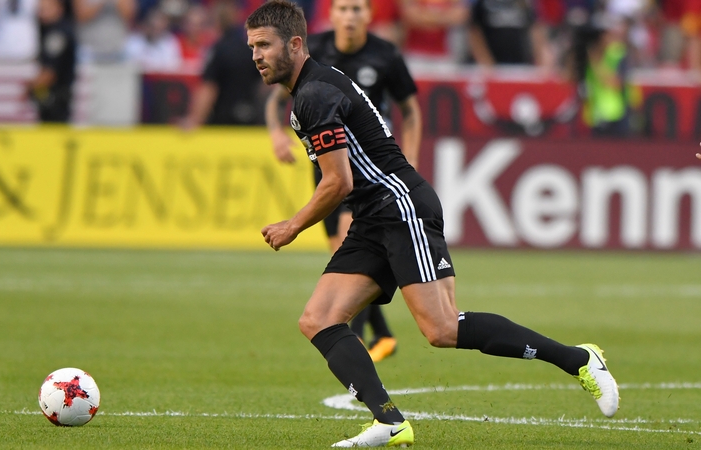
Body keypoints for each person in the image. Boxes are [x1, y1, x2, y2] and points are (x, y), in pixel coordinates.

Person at [246, 1, 620, 446]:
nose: (256, 55)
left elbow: (337, 182)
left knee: (441, 329)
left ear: (294, 43)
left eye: (264, 45)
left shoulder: (315, 94)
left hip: (400, 208)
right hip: (374, 215)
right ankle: (388, 420)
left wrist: (293, 225)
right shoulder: (312, 88)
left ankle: (578, 359)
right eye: (252, 46)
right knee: (318, 319)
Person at [264, 0, 421, 363]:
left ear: (369, 15)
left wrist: (409, 156)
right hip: (327, 163)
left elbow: (410, 109)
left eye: (357, 9)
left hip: (369, 169)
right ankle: (379, 333)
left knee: (349, 252)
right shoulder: (310, 50)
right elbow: (275, 99)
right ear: (331, 15)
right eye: (343, 8)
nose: (350, 16)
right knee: (342, 253)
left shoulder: (386, 56)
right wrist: (276, 134)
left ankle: (362, 339)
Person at [181, 0, 265, 129]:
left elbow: (209, 88)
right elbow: (265, 86)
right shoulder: (250, 49)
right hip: (249, 122)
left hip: (222, 125)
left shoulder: (219, 50)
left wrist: (195, 120)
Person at [29, 0, 76, 123]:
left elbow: (49, 73)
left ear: (59, 8)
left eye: (47, 8)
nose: (42, 12)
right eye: (41, 8)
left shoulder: (57, 34)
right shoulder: (48, 30)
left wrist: (28, 87)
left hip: (56, 100)